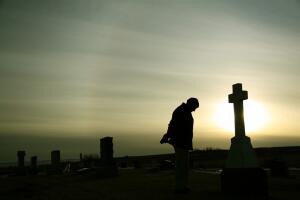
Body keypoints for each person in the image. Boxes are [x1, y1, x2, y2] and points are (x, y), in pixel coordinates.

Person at [160, 97, 199, 193]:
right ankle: (179, 187)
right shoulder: (180, 111)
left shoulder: (185, 111)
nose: (194, 110)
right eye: (194, 107)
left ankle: (183, 186)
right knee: (181, 165)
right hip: (180, 142)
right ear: (190, 104)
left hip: (184, 142)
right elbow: (172, 125)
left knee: (184, 165)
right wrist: (167, 136)